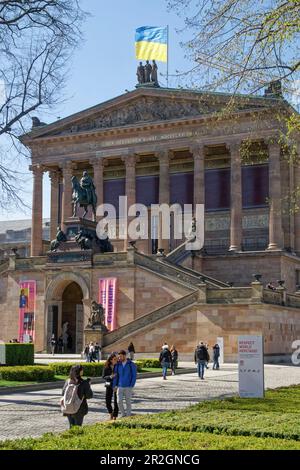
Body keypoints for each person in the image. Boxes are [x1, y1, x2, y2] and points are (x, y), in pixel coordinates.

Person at [113, 350, 137, 418]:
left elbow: (134, 375)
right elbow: (115, 376)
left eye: (120, 356)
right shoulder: (118, 365)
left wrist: (131, 385)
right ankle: (123, 414)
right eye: (119, 356)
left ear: (124, 356)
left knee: (128, 402)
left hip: (128, 386)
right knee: (119, 402)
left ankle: (128, 415)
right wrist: (114, 385)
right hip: (119, 386)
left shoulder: (131, 364)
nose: (119, 358)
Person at [103, 353, 119, 420]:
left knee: (116, 401)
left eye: (116, 359)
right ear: (111, 360)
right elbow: (103, 376)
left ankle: (115, 415)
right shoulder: (106, 366)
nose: (116, 360)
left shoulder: (118, 366)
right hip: (108, 385)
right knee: (107, 401)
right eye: (115, 359)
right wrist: (110, 376)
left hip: (116, 385)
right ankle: (111, 413)